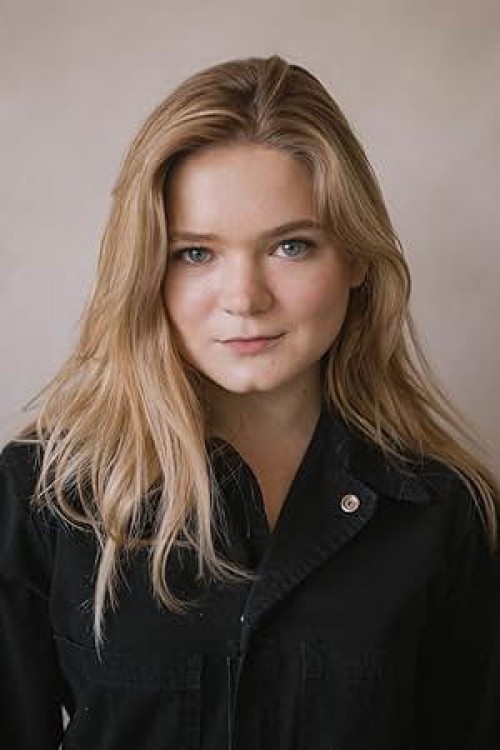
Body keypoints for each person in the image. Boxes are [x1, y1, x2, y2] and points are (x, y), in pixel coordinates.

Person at [0, 54, 498, 750]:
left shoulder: (444, 515)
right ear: (147, 268)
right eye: (195, 253)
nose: (244, 298)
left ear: (355, 258)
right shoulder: (44, 496)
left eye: (291, 246)